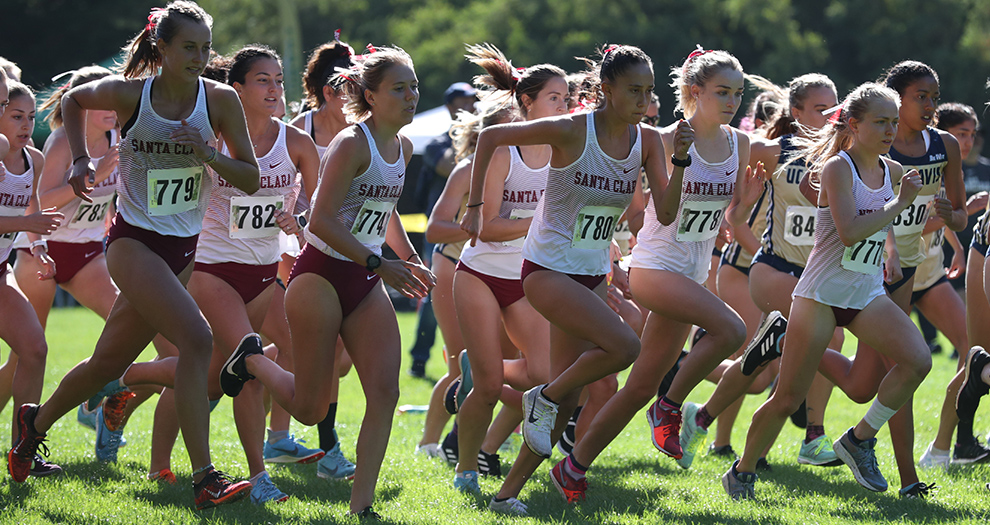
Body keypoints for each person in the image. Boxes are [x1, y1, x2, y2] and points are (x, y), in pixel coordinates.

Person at [6, 2, 261, 510]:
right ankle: (205, 477)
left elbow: (250, 178)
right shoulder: (130, 95)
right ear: (161, 48)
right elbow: (75, 99)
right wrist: (80, 158)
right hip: (131, 243)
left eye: (205, 47)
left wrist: (208, 153)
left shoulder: (220, 100)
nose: (199, 56)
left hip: (181, 250)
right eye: (188, 47)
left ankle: (33, 424)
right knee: (197, 339)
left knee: (107, 363)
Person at [460, 44, 688, 515]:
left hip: (590, 275)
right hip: (545, 272)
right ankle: (538, 396)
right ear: (605, 90)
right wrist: (477, 206)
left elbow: (665, 211)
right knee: (625, 348)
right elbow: (490, 139)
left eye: (649, 92)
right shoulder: (570, 128)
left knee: (567, 398)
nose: (644, 101)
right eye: (634, 91)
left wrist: (681, 161)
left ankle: (506, 495)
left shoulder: (645, 141)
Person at [219, 45, 435, 518]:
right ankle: (252, 361)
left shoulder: (403, 146)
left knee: (385, 392)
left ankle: (362, 508)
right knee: (309, 410)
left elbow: (384, 208)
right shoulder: (351, 142)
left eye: (414, 85)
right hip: (319, 276)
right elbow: (319, 220)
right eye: (400, 88)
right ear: (371, 96)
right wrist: (381, 264)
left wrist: (409, 256)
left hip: (364, 280)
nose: (411, 95)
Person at [548, 48, 773, 502]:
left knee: (638, 387)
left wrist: (743, 203)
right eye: (722, 92)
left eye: (737, 93)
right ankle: (671, 409)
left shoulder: (739, 143)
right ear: (694, 92)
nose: (732, 101)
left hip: (691, 272)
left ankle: (571, 468)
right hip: (654, 266)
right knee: (731, 329)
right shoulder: (663, 139)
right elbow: (621, 189)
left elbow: (724, 216)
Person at [722, 82, 930, 499]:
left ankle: (858, 439)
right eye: (880, 121)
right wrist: (900, 203)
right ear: (854, 124)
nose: (890, 130)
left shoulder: (888, 170)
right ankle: (741, 471)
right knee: (787, 398)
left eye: (893, 121)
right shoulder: (839, 167)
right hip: (819, 295)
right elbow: (851, 231)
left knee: (918, 361)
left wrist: (889, 248)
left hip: (866, 294)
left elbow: (870, 222)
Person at [8, 67, 178, 463]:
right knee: (27, 354)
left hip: (88, 254)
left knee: (153, 340)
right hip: (41, 250)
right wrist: (95, 174)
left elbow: (118, 194)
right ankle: (24, 443)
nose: (111, 106)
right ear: (82, 102)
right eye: (102, 99)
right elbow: (38, 204)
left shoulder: (120, 137)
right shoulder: (62, 143)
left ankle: (102, 403)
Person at [679, 74, 844, 470]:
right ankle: (811, 436)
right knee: (829, 335)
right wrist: (764, 257)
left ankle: (702, 417)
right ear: (797, 112)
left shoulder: (843, 158)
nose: (831, 116)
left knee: (759, 375)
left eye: (835, 107)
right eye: (821, 109)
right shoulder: (768, 151)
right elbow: (734, 217)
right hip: (750, 268)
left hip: (804, 277)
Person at [449, 43, 567, 493]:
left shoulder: (562, 155)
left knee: (544, 373)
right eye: (554, 97)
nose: (563, 105)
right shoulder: (503, 152)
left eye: (566, 97)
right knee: (490, 384)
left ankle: (480, 366)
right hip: (478, 275)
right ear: (527, 102)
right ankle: (465, 470)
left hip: (524, 279)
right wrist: (535, 222)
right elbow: (483, 228)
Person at [416, 101, 515, 458]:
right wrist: (478, 228)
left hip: (501, 273)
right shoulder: (467, 170)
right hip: (453, 266)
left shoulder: (529, 169)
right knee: (462, 364)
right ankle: (431, 442)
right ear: (487, 135)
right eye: (509, 128)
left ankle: (477, 437)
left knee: (504, 363)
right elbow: (433, 228)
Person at [285, 32, 359, 481]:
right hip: (291, 249)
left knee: (338, 358)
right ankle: (328, 449)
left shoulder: (362, 131)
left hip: (344, 250)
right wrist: (295, 220)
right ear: (330, 90)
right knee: (324, 349)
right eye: (352, 88)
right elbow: (283, 190)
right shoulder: (300, 130)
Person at [0, 80, 63, 477]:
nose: (25, 125)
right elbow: (26, 216)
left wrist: (37, 244)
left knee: (34, 349)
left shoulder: (34, 159)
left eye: (29, 117)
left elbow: (34, 205)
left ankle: (22, 450)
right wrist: (27, 223)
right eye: (15, 115)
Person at [407, 81, 479, 377]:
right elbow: (452, 166)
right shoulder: (438, 143)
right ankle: (420, 359)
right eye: (462, 101)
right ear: (449, 107)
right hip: (444, 231)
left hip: (475, 233)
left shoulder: (484, 144)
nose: (469, 106)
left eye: (473, 100)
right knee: (432, 295)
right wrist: (475, 146)